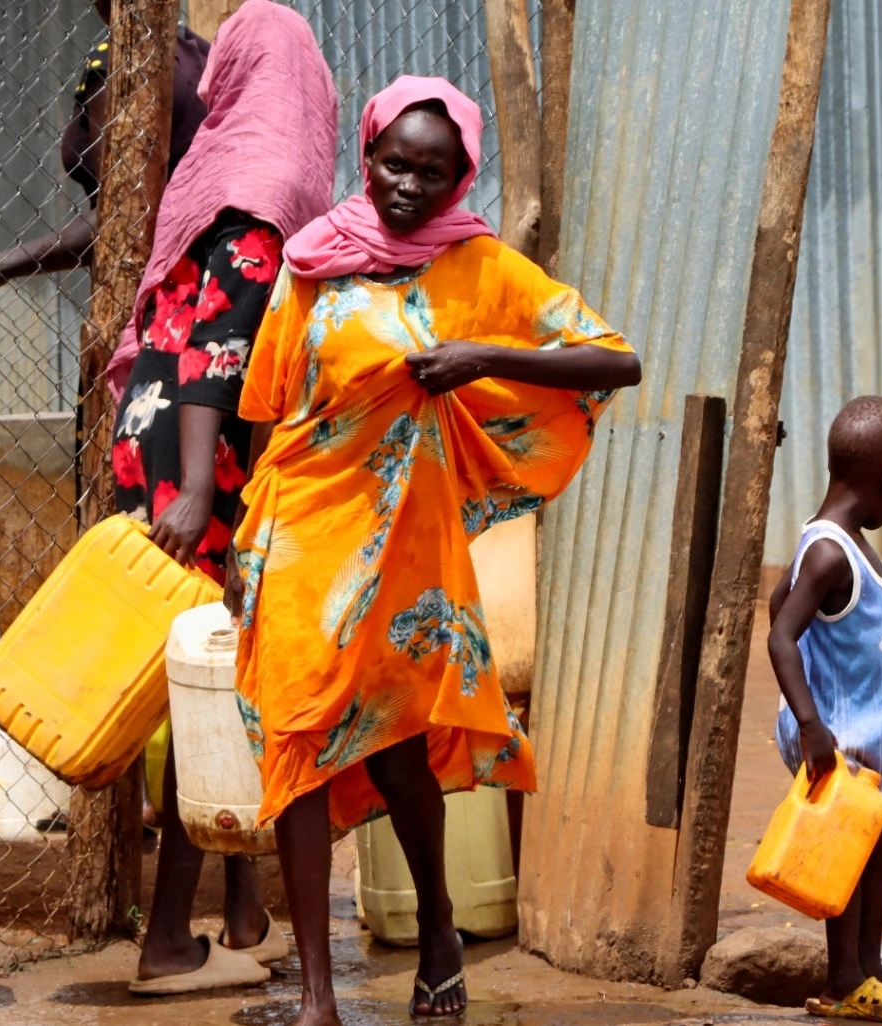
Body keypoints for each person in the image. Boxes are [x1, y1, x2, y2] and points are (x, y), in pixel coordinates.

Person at [230, 77, 640, 1023]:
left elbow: (615, 359)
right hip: (297, 535)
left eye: (432, 172)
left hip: (404, 548)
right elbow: (266, 407)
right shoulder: (314, 259)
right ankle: (318, 995)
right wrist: (245, 549)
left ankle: (440, 926)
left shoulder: (482, 268)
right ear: (367, 154)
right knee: (295, 745)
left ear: (461, 178)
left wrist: (483, 358)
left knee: (397, 750)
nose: (408, 186)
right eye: (393, 164)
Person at [109, 0, 337, 996]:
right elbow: (220, 352)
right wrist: (204, 490)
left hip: (154, 441)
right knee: (216, 688)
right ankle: (166, 939)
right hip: (201, 465)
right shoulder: (267, 188)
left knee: (220, 676)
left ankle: (243, 914)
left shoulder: (215, 171)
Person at [766, 396, 882, 1023]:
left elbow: (779, 599)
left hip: (853, 723)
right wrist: (812, 725)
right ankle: (844, 981)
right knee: (852, 843)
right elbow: (781, 635)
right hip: (834, 729)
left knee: (879, 835)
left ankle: (868, 971)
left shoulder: (836, 542)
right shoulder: (832, 552)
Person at [0, 0, 210, 301]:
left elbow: (123, 216)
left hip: (167, 290)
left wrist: (5, 262)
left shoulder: (118, 62)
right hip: (218, 274)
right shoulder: (201, 53)